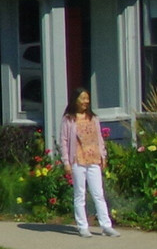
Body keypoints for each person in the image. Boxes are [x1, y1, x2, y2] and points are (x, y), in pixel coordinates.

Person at [60, 87, 120, 238]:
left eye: (87, 98)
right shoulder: (69, 119)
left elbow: (99, 138)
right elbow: (64, 141)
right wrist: (66, 161)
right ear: (76, 100)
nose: (86, 101)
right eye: (83, 98)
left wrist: (103, 156)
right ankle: (82, 226)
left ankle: (106, 226)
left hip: (93, 159)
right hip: (77, 160)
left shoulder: (93, 118)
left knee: (98, 193)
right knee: (80, 194)